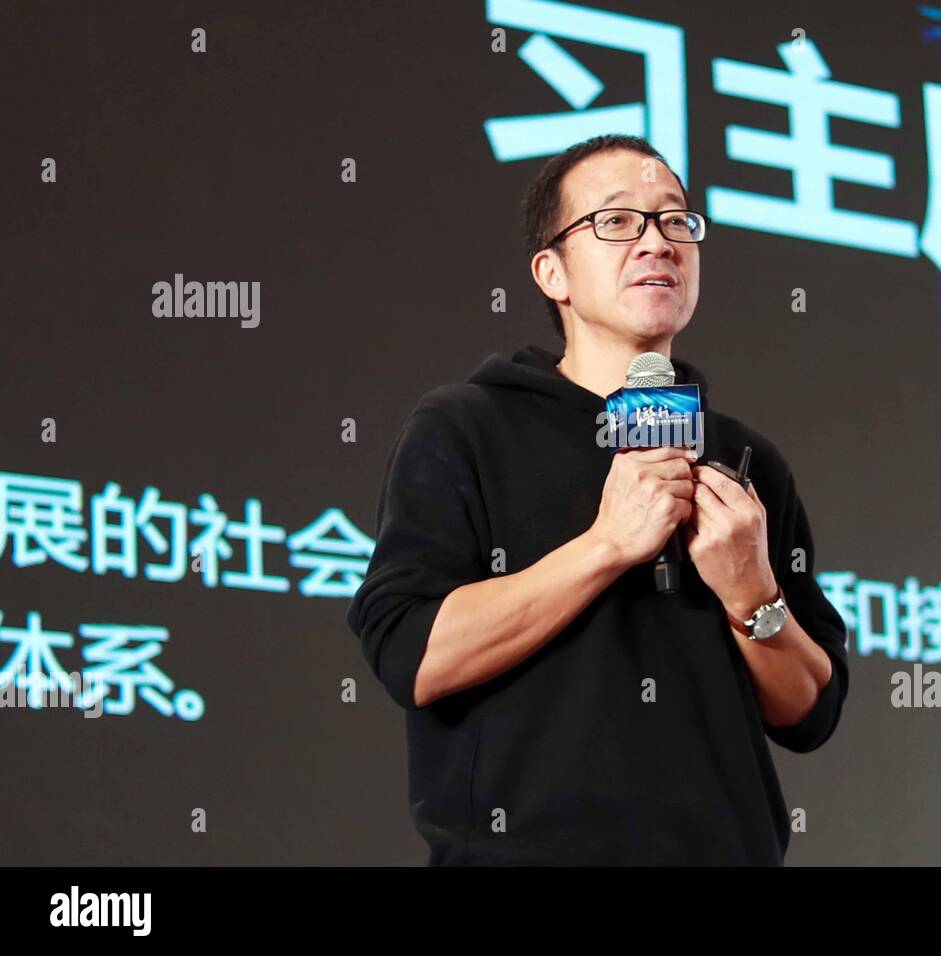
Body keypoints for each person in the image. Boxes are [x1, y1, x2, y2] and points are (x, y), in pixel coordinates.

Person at [346, 134, 849, 865]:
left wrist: (752, 593)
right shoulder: (468, 426)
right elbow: (411, 655)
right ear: (553, 272)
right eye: (616, 221)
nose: (658, 243)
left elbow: (810, 711)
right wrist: (607, 545)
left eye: (676, 220)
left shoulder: (747, 460)